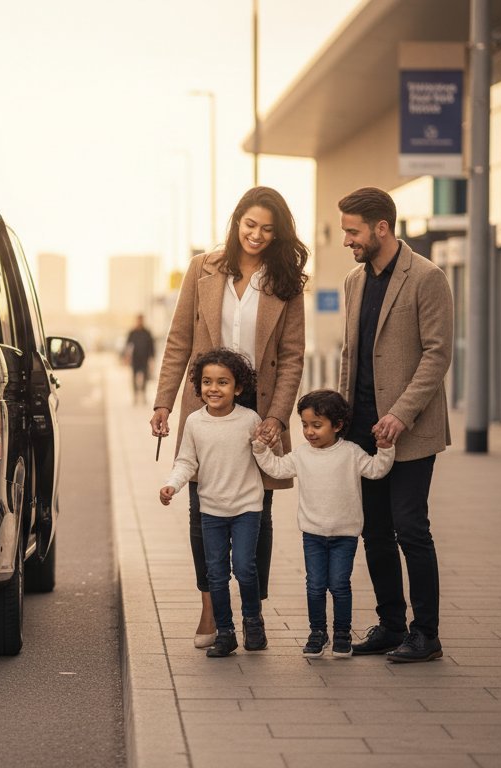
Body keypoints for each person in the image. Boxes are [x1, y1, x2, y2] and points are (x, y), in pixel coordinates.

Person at [150, 186, 307, 649]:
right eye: (250, 224)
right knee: (203, 510)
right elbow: (179, 340)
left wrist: (277, 416)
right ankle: (211, 609)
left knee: (259, 510)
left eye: (267, 229)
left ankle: (250, 608)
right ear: (236, 221)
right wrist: (163, 401)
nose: (256, 235)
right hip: (207, 405)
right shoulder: (204, 269)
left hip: (259, 413)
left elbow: (293, 356)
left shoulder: (286, 280)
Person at [337, 186, 453, 663]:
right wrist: (342, 419)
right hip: (362, 429)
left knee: (411, 528)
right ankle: (390, 624)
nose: (347, 240)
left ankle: (426, 633)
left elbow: (437, 354)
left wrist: (400, 414)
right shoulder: (353, 282)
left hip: (410, 430)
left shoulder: (427, 277)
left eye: (352, 231)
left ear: (381, 228)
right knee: (375, 532)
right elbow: (351, 355)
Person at [251, 389, 394, 658]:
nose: (309, 432)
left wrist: (386, 449)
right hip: (313, 534)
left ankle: (342, 634)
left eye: (317, 425)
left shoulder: (351, 453)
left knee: (340, 585)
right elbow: (277, 468)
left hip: (345, 534)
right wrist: (260, 448)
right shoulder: (302, 455)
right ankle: (317, 632)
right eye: (305, 425)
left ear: (337, 425)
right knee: (315, 585)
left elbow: (376, 470)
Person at [159, 348, 266, 658]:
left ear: (238, 388)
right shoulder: (195, 422)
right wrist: (172, 485)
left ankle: (252, 620)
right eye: (207, 382)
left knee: (244, 568)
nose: (214, 389)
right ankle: (226, 632)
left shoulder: (249, 419)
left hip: (246, 508)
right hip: (211, 511)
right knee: (215, 573)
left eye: (223, 382)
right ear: (199, 386)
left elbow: (264, 458)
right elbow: (186, 462)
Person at [124, 314, 157, 404]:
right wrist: (127, 357)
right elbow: (127, 346)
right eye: (138, 320)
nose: (140, 322)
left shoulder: (147, 333)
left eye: (141, 320)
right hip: (135, 359)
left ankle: (143, 395)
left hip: (144, 359)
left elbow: (152, 347)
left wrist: (152, 359)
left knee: (145, 378)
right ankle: (135, 396)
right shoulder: (132, 332)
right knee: (134, 378)